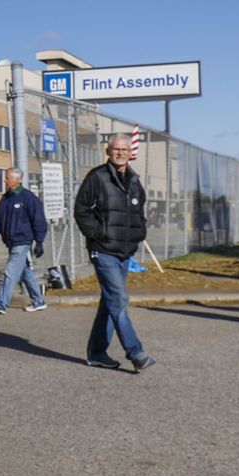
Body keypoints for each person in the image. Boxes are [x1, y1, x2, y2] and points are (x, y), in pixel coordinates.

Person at [73, 134, 156, 372]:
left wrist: (138, 233)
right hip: (103, 250)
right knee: (118, 299)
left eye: (124, 149)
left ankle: (97, 353)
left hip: (124, 252)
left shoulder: (134, 181)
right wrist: (99, 233)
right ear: (108, 152)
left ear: (130, 153)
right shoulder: (97, 177)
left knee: (109, 302)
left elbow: (138, 212)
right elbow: (81, 210)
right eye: (115, 149)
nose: (120, 153)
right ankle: (136, 353)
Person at [0, 168, 48, 313]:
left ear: (17, 180)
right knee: (25, 272)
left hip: (22, 240)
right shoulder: (5, 198)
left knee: (11, 271)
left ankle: (1, 303)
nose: (4, 181)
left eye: (7, 178)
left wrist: (39, 241)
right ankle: (38, 300)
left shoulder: (28, 198)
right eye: (5, 178)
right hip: (11, 242)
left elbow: (39, 220)